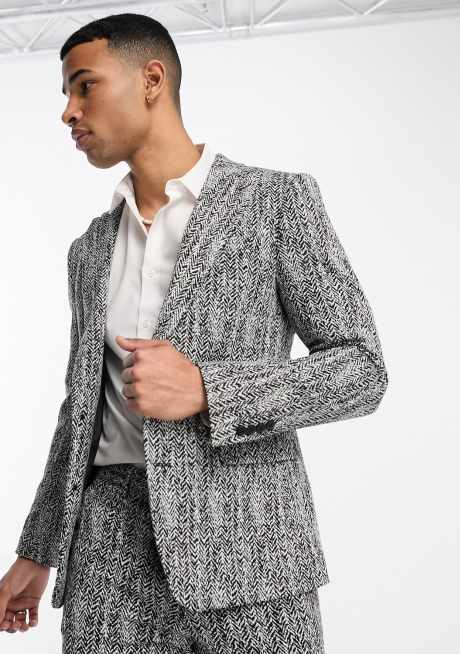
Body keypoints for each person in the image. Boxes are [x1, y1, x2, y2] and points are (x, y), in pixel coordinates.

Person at [0, 13, 388, 653]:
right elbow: (82, 410)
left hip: (250, 549)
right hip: (108, 558)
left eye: (84, 86)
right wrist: (37, 549)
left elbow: (360, 369)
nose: (68, 111)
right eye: (66, 95)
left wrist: (211, 390)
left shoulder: (274, 204)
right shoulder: (89, 250)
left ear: (152, 80)